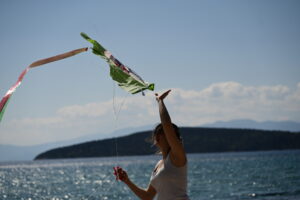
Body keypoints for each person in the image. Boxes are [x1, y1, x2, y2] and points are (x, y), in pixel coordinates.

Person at [114, 89, 189, 200]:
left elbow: (167, 125)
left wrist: (160, 101)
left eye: (164, 132)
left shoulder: (178, 156)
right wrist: (127, 181)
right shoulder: (159, 164)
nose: (159, 134)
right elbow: (148, 197)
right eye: (158, 133)